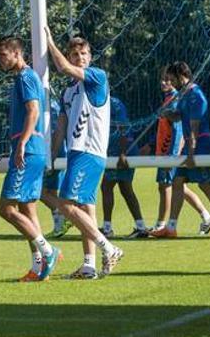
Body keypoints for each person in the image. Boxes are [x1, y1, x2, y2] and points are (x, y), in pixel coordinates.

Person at [45, 27, 123, 280]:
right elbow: (61, 127)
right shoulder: (68, 91)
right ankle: (89, 265)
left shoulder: (96, 77)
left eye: (84, 53)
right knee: (86, 209)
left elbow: (64, 68)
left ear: (90, 56)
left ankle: (109, 248)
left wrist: (49, 42)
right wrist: (51, 157)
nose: (80, 57)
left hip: (89, 151)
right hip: (76, 154)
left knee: (66, 206)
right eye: (75, 53)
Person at [0, 36, 60, 282]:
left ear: (16, 53)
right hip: (32, 150)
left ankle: (48, 250)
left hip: (28, 150)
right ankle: (38, 267)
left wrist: (21, 143)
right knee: (27, 208)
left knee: (6, 208)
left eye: (2, 55)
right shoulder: (23, 77)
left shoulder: (25, 77)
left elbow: (33, 110)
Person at [151, 61, 210, 239]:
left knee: (205, 184)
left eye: (173, 79)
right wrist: (167, 114)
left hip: (199, 146)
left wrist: (190, 153)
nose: (171, 83)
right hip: (190, 145)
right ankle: (171, 227)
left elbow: (195, 126)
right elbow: (179, 117)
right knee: (178, 182)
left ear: (182, 76)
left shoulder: (196, 95)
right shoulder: (184, 94)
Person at [143, 68, 210, 236]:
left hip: (173, 151)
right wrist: (151, 144)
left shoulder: (179, 97)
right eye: (162, 79)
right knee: (177, 184)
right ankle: (206, 217)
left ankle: (161, 224)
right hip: (165, 151)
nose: (164, 82)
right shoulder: (171, 98)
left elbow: (177, 129)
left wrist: (173, 154)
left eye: (168, 79)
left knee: (167, 186)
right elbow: (170, 123)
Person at [100, 96, 148, 239]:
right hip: (117, 150)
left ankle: (107, 229)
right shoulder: (101, 101)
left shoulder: (114, 104)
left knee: (106, 186)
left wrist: (122, 153)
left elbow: (123, 128)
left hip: (121, 151)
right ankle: (141, 227)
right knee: (126, 189)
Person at [42, 100, 71, 238]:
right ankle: (59, 226)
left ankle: (68, 214)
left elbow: (55, 130)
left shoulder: (48, 105)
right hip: (56, 151)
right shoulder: (52, 103)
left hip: (52, 153)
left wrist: (53, 152)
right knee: (51, 192)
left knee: (40, 192)